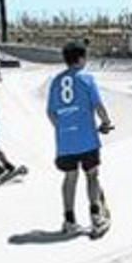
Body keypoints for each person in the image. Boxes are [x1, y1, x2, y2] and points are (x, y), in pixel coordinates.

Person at [47, 40, 115, 235]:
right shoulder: (87, 78)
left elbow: (51, 112)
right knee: (92, 175)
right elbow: (98, 106)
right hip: (86, 138)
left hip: (65, 140)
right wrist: (106, 122)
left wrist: (63, 128)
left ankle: (69, 220)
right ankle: (96, 217)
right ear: (81, 59)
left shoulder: (56, 81)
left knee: (70, 177)